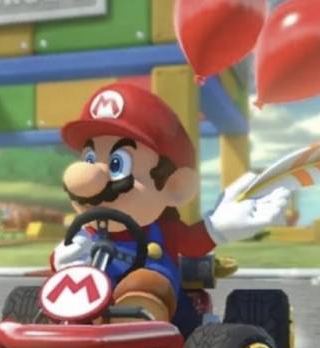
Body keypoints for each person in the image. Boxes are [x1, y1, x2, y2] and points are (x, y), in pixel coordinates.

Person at [51, 83, 290, 323]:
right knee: (63, 286)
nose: (87, 177)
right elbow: (65, 259)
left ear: (174, 185)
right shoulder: (86, 232)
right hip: (89, 303)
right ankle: (72, 327)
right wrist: (64, 260)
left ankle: (138, 320)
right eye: (90, 158)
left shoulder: (163, 231)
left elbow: (192, 244)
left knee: (145, 283)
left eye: (117, 164)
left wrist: (218, 227)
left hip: (167, 317)